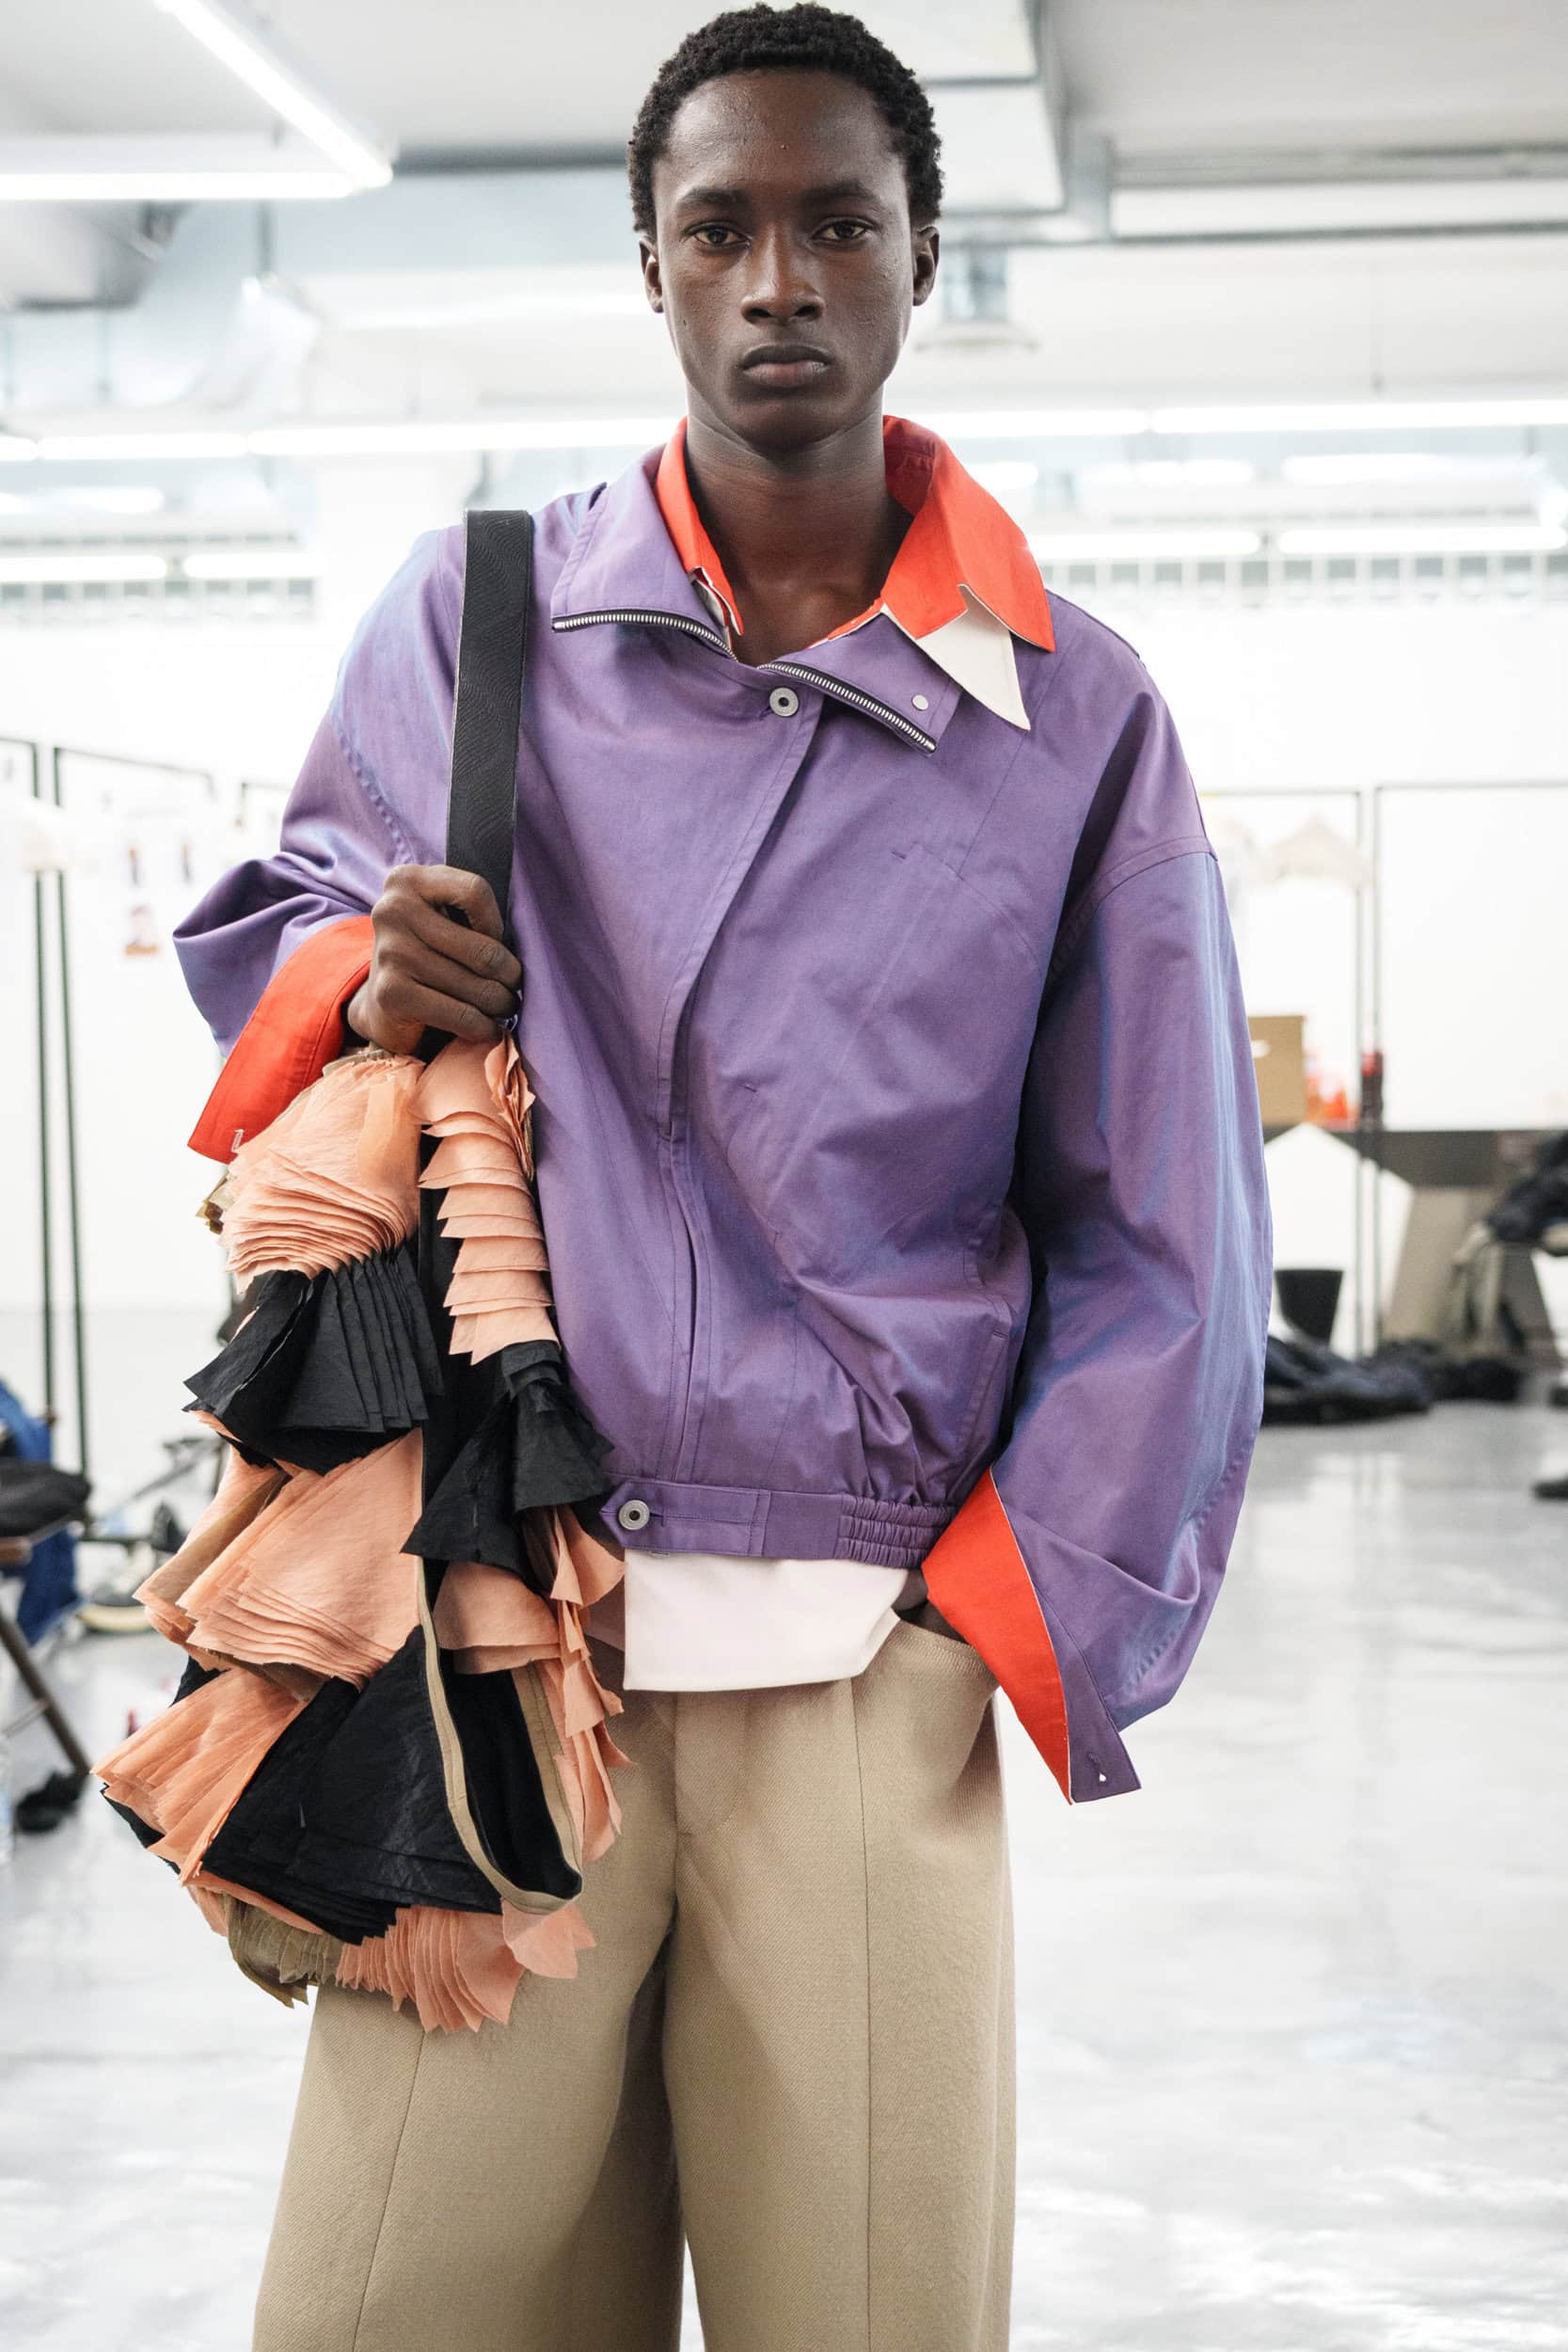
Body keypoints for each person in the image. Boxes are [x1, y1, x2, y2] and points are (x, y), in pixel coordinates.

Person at [173, 8, 1271, 2346]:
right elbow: (268, 934)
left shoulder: (1073, 716)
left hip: (856, 1662)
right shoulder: (476, 621)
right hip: (494, 1631)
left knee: (864, 2305)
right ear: (653, 271)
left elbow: (1168, 1219)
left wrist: (993, 1615)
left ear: (920, 259)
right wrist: (367, 982)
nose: (781, 276)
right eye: (723, 228)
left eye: (838, 222)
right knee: (394, 2303)